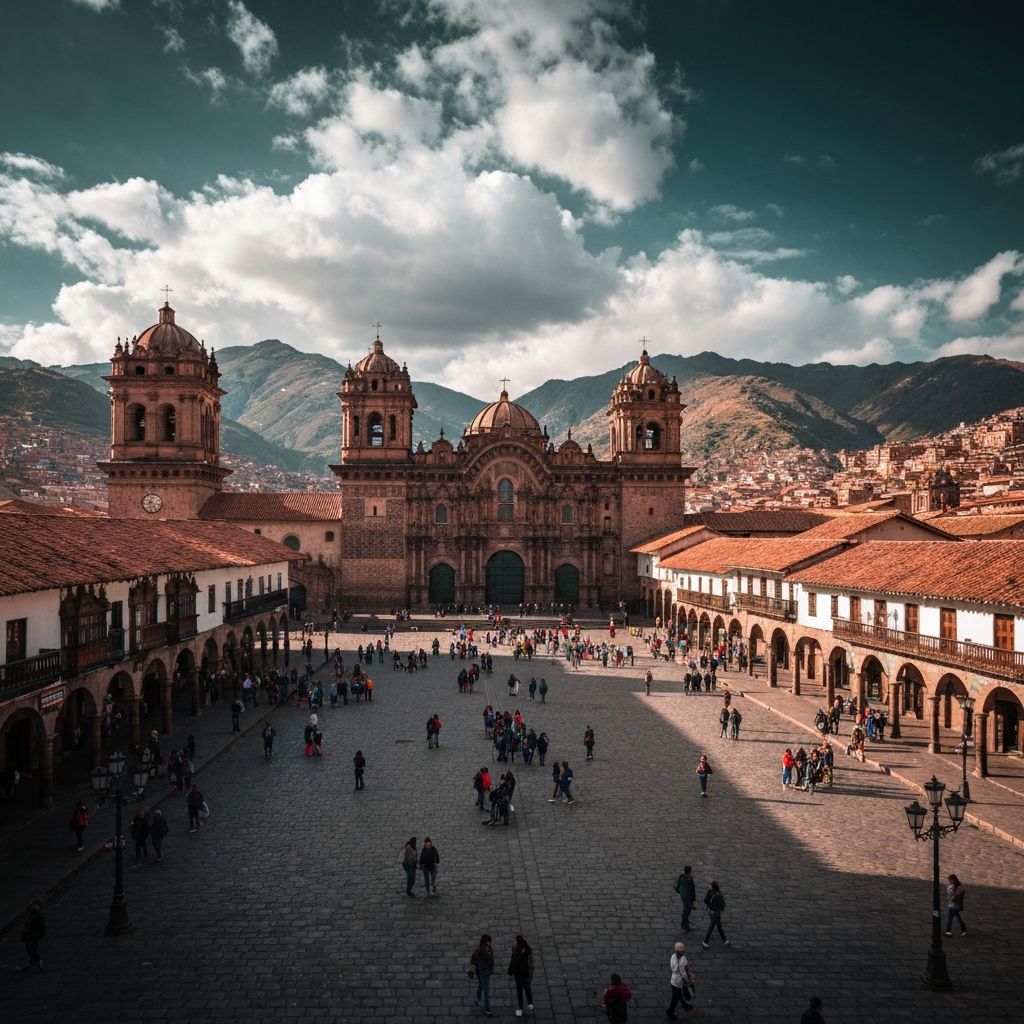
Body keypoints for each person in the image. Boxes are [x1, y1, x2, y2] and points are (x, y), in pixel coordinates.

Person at [666, 941, 694, 1019]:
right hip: (679, 982)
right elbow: (684, 973)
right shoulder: (683, 960)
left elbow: (672, 968)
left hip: (673, 980)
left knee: (678, 994)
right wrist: (688, 981)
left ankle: (684, 1005)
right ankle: (670, 1012)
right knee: (675, 999)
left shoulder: (673, 957)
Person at [508, 934, 535, 1017]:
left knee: (521, 990)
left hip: (521, 974)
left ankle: (521, 1006)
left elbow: (514, 963)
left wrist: (510, 971)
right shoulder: (524, 949)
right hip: (522, 974)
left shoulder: (520, 952)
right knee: (525, 989)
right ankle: (528, 1003)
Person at [469, 934, 495, 1017]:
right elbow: (473, 960)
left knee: (481, 985)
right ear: (484, 942)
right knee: (486, 990)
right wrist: (472, 970)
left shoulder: (490, 949)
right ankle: (487, 1009)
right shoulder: (479, 951)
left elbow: (491, 961)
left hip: (487, 972)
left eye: (490, 942)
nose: (489, 944)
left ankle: (478, 997)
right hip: (481, 971)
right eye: (488, 942)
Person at [701, 880, 729, 949]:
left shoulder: (710, 892)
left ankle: (724, 939)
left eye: (710, 885)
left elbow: (705, 901)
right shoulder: (719, 895)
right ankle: (705, 942)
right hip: (715, 913)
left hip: (710, 911)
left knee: (719, 925)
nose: (708, 886)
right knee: (712, 927)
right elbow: (722, 905)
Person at [20, 900, 45, 971]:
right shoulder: (33, 915)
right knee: (30, 949)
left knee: (32, 949)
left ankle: (37, 963)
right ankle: (34, 964)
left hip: (32, 936)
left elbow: (39, 928)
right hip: (31, 935)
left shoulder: (36, 916)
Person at [674, 865, 696, 932]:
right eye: (691, 871)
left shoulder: (681, 876)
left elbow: (678, 885)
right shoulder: (690, 880)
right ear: (689, 872)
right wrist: (693, 899)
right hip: (688, 898)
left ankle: (686, 923)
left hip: (683, 895)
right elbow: (692, 890)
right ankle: (684, 926)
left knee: (686, 910)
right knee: (686, 911)